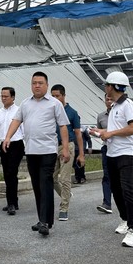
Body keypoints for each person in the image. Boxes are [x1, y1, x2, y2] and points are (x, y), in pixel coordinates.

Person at [3, 72, 70, 237]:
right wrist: (8, 137)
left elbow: (63, 126)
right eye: (34, 83)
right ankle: (43, 219)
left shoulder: (54, 104)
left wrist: (66, 149)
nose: (37, 86)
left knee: (45, 183)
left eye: (40, 83)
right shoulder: (25, 104)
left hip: (47, 150)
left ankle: (45, 222)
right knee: (37, 186)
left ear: (46, 85)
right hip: (31, 151)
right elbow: (16, 121)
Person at [91, 71, 133, 248]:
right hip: (112, 153)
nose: (105, 88)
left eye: (106, 85)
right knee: (116, 190)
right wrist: (101, 133)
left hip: (127, 153)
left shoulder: (128, 105)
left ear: (112, 86)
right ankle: (125, 219)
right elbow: (113, 132)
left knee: (128, 190)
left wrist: (110, 133)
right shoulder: (113, 108)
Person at [0, 86, 24, 215]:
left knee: (12, 172)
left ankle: (11, 203)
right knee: (7, 173)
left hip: (16, 144)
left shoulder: (19, 111)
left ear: (13, 97)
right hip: (3, 145)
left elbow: (24, 130)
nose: (3, 98)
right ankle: (13, 201)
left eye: (6, 96)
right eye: (2, 96)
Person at [50, 84, 85, 222]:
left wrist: (81, 154)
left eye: (57, 96)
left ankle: (64, 208)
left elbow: (78, 134)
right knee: (51, 178)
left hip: (68, 146)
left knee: (64, 178)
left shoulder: (72, 112)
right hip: (52, 147)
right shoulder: (50, 111)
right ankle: (66, 194)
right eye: (52, 96)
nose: (54, 98)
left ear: (63, 96)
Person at [94, 95, 114, 214]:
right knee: (106, 176)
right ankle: (107, 203)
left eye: (111, 99)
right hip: (106, 148)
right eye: (107, 99)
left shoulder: (120, 113)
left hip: (120, 150)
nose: (109, 101)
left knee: (119, 177)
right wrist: (95, 133)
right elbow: (100, 132)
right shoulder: (101, 116)